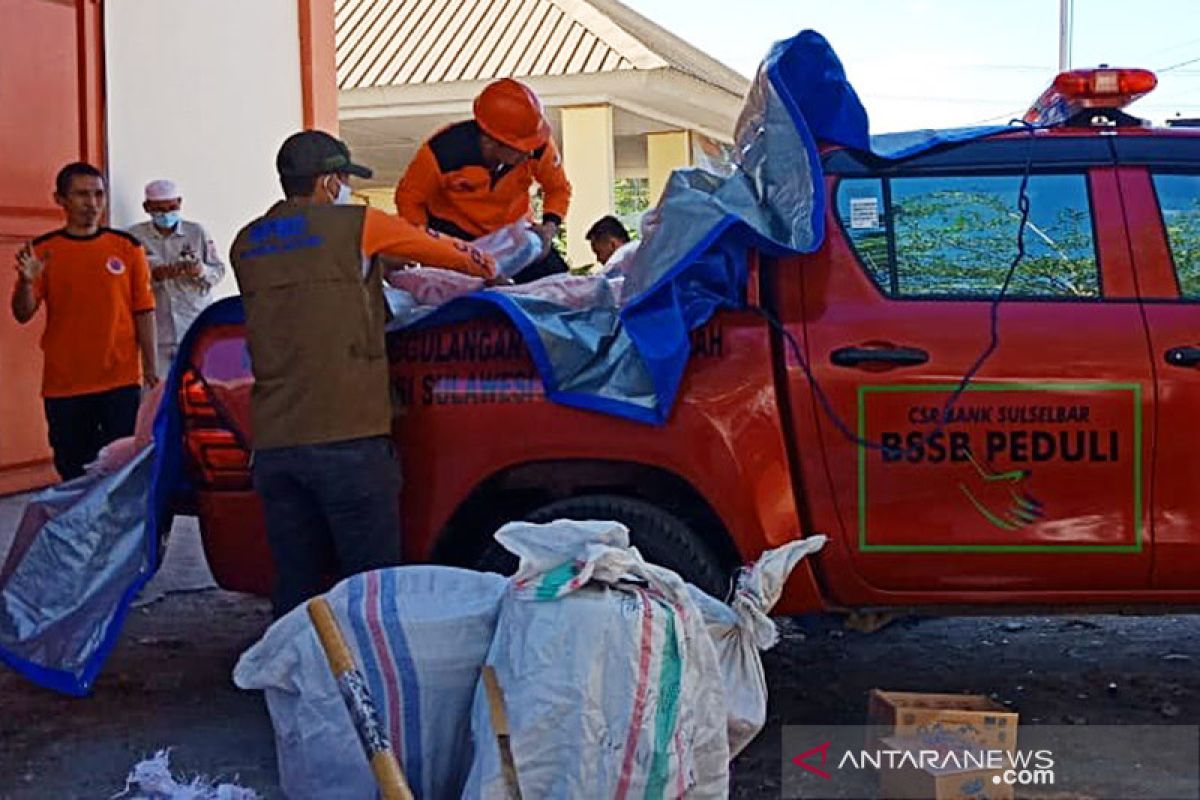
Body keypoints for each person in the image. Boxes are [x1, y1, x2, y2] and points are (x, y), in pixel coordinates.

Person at [231, 130, 496, 617]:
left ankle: (298, 683)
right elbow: (450, 254)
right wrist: (492, 264)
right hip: (347, 435)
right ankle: (371, 687)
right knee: (370, 586)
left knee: (297, 583)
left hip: (274, 443)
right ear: (330, 182)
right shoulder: (358, 225)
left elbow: (307, 290)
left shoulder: (246, 243)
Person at [10, 162, 158, 481]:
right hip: (66, 384)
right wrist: (26, 282)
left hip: (120, 381)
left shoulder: (128, 248)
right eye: (81, 195)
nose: (92, 203)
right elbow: (22, 313)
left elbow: (144, 310)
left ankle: (120, 532)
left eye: (98, 194)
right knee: (74, 471)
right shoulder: (43, 252)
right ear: (60, 199)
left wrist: (152, 369)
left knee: (122, 471)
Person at [394, 78, 572, 283]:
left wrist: (548, 230)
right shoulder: (442, 152)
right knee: (461, 301)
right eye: (520, 149)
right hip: (456, 239)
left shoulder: (537, 144)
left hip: (512, 235)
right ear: (490, 142)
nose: (528, 154)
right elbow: (409, 198)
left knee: (561, 286)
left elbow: (558, 189)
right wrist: (427, 248)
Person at [128, 179, 225, 377]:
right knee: (158, 393)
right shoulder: (133, 237)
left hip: (193, 325)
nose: (166, 214)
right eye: (159, 210)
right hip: (157, 334)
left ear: (180, 203)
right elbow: (126, 283)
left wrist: (199, 271)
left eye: (172, 207)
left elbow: (218, 271)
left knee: (198, 388)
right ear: (147, 208)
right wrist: (154, 276)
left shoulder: (196, 232)